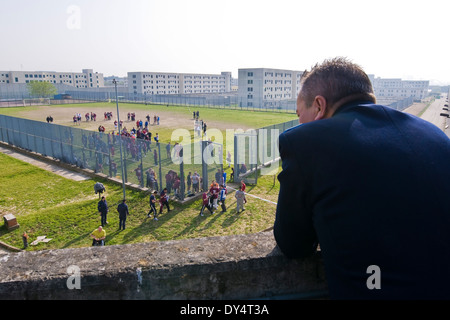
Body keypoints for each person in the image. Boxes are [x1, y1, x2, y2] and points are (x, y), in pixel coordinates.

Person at [273, 57, 450, 300]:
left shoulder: (305, 142)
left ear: (318, 106)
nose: (299, 120)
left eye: (298, 113)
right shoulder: (434, 135)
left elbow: (293, 244)